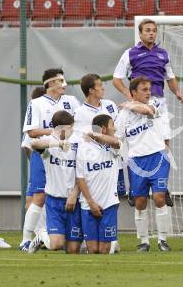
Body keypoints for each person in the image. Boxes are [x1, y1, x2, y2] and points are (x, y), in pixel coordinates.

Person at [113, 18, 183, 207]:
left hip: (157, 103)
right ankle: (134, 188)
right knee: (131, 143)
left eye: (154, 30)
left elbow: (170, 76)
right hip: (138, 104)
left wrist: (177, 93)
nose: (152, 33)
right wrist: (130, 97)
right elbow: (116, 78)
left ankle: (163, 186)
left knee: (164, 142)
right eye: (148, 30)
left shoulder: (163, 53)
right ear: (141, 33)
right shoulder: (130, 53)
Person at [20, 69, 79, 251]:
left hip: (69, 153)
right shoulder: (36, 104)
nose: (64, 84)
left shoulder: (72, 101)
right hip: (45, 152)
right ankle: (26, 240)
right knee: (39, 196)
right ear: (51, 83)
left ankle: (72, 237)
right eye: (61, 80)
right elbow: (31, 132)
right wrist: (55, 135)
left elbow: (80, 126)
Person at [114, 76, 172, 252]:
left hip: (158, 157)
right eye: (144, 90)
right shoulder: (123, 115)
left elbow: (148, 111)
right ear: (133, 92)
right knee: (140, 201)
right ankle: (144, 241)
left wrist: (128, 104)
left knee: (159, 198)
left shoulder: (157, 104)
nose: (149, 92)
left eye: (149, 89)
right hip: (136, 161)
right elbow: (117, 138)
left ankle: (162, 240)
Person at [74, 73, 122, 254]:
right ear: (91, 90)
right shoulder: (80, 113)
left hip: (110, 158)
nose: (104, 88)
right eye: (100, 86)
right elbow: (80, 140)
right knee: (95, 185)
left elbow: (116, 136)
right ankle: (96, 240)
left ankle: (110, 239)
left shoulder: (109, 105)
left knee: (114, 194)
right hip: (91, 162)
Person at [28, 111, 83, 254]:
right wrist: (58, 144)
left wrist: (74, 194)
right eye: (71, 127)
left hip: (74, 200)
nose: (73, 130)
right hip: (54, 200)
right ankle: (41, 236)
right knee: (56, 244)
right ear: (64, 128)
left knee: (73, 249)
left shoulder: (78, 143)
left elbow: (82, 173)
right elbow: (33, 143)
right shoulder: (49, 142)